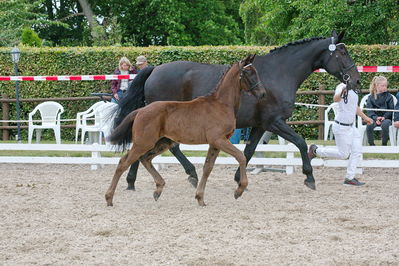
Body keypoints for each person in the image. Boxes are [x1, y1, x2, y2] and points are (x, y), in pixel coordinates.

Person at [308, 83, 373, 186]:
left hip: (351, 127)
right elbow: (335, 99)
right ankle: (315, 150)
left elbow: (354, 107)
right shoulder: (341, 86)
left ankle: (349, 178)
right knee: (344, 154)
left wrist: (365, 118)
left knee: (357, 151)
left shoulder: (354, 89)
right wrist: (343, 92)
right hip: (341, 127)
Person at [365, 76, 394, 146]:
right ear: (376, 86)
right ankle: (371, 144)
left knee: (385, 125)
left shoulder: (389, 97)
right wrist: (376, 118)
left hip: (386, 119)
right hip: (374, 118)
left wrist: (384, 117)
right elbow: (370, 111)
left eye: (386, 86)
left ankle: (384, 144)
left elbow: (391, 110)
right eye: (382, 85)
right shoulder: (370, 97)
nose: (385, 87)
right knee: (369, 125)